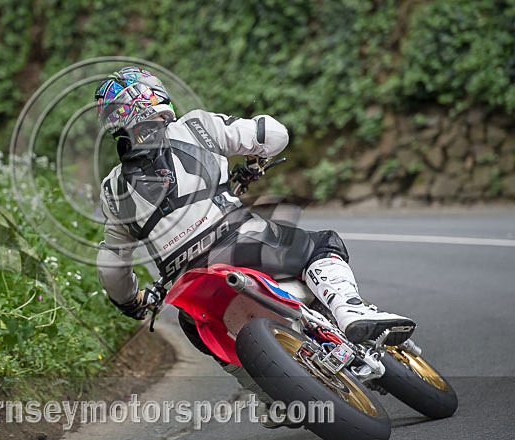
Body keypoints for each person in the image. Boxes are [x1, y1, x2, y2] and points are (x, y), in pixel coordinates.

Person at [94, 66, 415, 421]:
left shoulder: (113, 189)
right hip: (239, 243)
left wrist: (133, 302)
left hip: (187, 284)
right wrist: (256, 159)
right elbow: (273, 134)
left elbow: (111, 266)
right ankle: (350, 309)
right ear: (155, 95)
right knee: (320, 245)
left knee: (206, 338)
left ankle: (272, 397)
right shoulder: (196, 127)